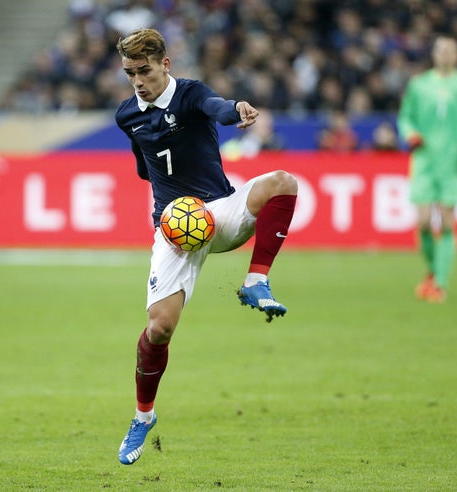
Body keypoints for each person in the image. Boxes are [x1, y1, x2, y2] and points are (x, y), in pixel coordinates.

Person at [113, 28, 298, 465]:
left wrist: (237, 111)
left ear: (165, 65)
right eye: (130, 73)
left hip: (220, 210)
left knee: (283, 183)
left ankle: (256, 280)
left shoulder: (190, 93)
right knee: (159, 329)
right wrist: (164, 206)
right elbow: (144, 168)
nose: (138, 81)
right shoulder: (127, 116)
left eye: (144, 71)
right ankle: (143, 416)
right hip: (176, 229)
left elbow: (216, 108)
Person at [397, 35, 457, 303]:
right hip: (425, 161)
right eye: (441, 50)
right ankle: (432, 271)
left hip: (455, 162)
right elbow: (405, 116)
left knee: (448, 222)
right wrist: (410, 133)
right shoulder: (419, 85)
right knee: (424, 221)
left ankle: (439, 283)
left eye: (450, 50)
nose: (446, 55)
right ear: (434, 54)